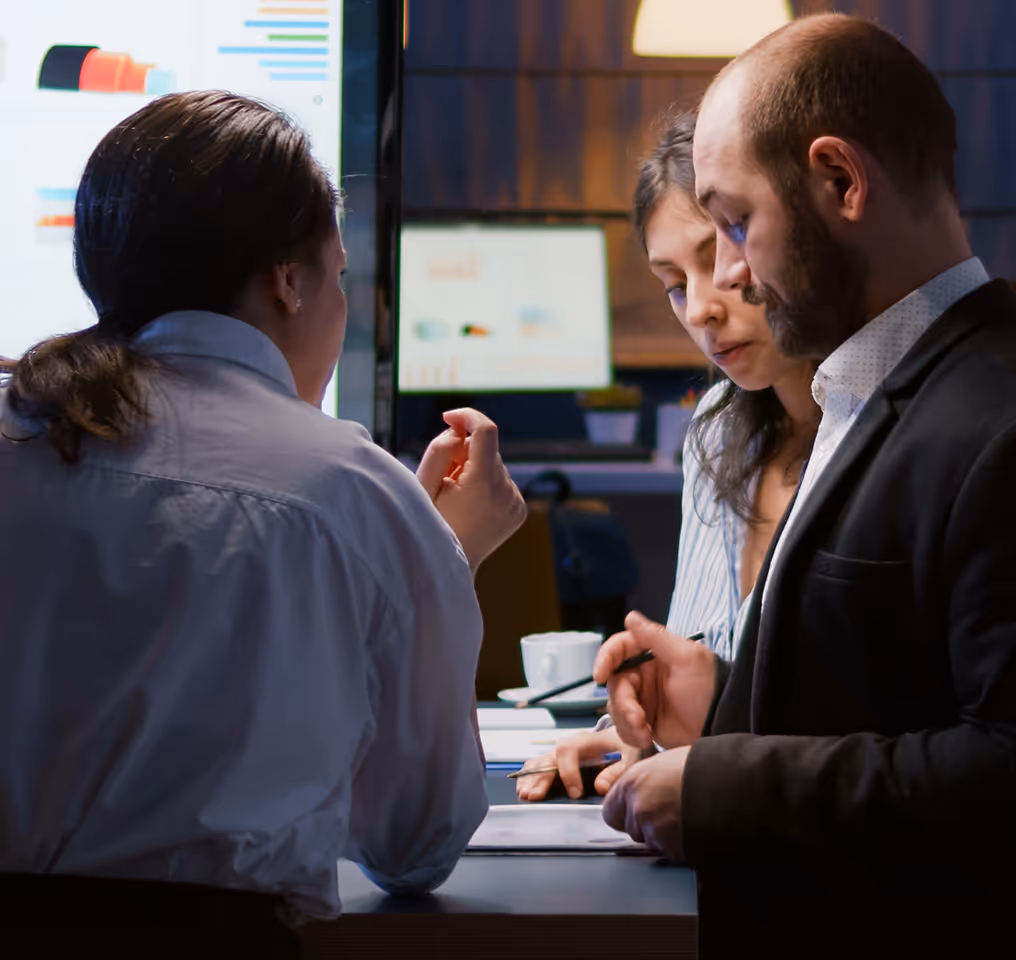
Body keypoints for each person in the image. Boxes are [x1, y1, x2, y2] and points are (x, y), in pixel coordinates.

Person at [0, 91, 526, 925]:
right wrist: (445, 557)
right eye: (341, 276)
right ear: (289, 280)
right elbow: (416, 845)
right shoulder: (355, 489)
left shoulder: (19, 428)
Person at [595, 13, 1016, 959]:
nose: (729, 274)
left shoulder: (998, 417)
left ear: (840, 181)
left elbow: (1004, 764)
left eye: (736, 223)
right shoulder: (860, 388)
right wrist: (737, 701)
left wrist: (721, 785)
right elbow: (901, 695)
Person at [517, 110, 819, 803]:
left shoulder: (878, 430)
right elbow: (696, 665)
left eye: (714, 261)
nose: (701, 310)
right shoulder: (717, 426)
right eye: (674, 283)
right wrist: (632, 732)